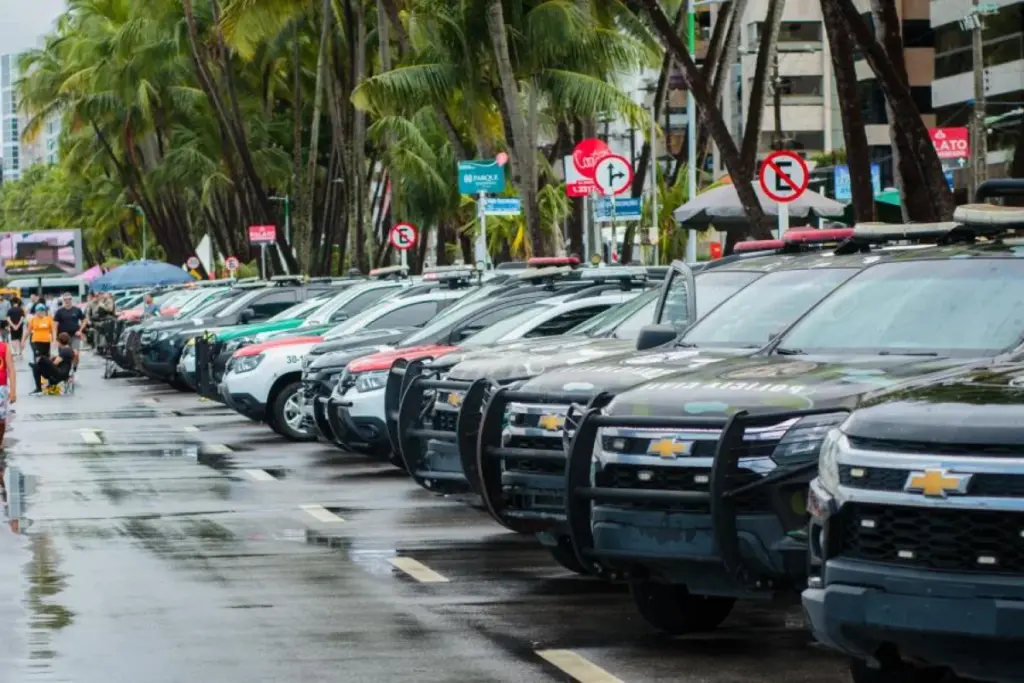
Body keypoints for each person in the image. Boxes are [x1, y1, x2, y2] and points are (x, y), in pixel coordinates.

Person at [54, 292, 86, 360]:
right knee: (63, 355)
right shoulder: (59, 311)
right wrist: (55, 339)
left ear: (72, 299)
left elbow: (84, 321)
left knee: (76, 354)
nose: (67, 301)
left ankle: (74, 367)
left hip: (74, 335)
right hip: (63, 336)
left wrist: (80, 331)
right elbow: (55, 326)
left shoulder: (77, 310)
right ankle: (65, 369)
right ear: (63, 301)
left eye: (69, 299)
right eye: (65, 300)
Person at [0, 334, 16, 448]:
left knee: (1, 417)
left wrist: (13, 391)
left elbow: (11, 370)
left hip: (1, 387)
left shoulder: (4, 348)